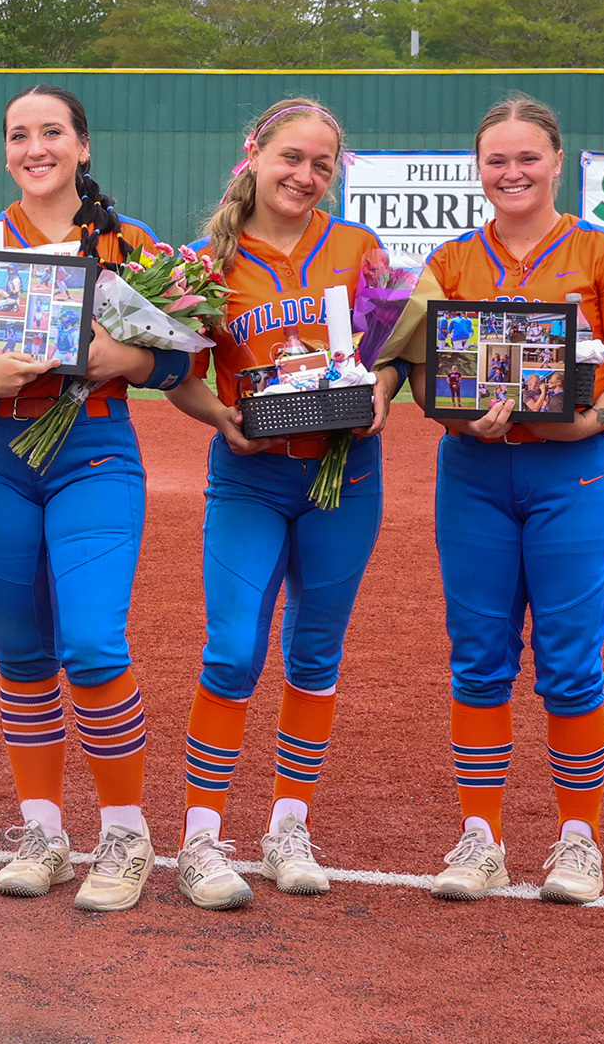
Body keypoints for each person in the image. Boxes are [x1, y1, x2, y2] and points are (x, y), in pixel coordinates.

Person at [377, 94, 604, 906]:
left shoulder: (602, 252)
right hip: (474, 470)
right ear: (479, 169)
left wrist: (596, 416)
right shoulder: (450, 260)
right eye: (497, 160)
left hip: (574, 468)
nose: (512, 172)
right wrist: (450, 410)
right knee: (478, 658)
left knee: (570, 662)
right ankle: (483, 838)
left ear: (558, 162)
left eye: (527, 157)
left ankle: (579, 842)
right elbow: (415, 366)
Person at [0, 83, 187, 912]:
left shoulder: (133, 246)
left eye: (51, 133)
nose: (33, 148)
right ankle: (43, 830)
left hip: (94, 453)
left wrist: (127, 360)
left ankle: (125, 831)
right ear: (5, 149)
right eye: (18, 135)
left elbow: (183, 361)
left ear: (83, 146)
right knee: (22, 654)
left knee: (93, 645)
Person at [162, 99, 390, 910]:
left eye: (322, 164)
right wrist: (219, 415)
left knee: (315, 655)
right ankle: (199, 839)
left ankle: (288, 826)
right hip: (251, 476)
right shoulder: (203, 262)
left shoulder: (361, 249)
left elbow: (390, 352)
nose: (305, 175)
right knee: (231, 652)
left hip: (347, 476)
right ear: (252, 153)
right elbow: (176, 375)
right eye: (292, 157)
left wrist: (382, 397)